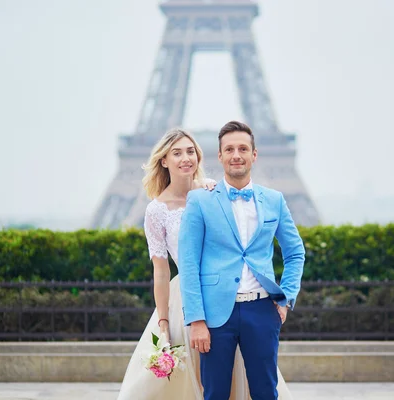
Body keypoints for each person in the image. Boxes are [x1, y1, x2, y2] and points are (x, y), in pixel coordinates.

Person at [116, 127, 293, 400]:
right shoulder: (157, 209)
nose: (185, 158)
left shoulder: (213, 192)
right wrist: (164, 319)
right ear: (164, 160)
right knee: (204, 385)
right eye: (177, 153)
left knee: (250, 382)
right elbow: (162, 272)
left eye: (191, 152)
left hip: (237, 300)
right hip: (191, 301)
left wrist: (285, 296)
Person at [178, 121, 305, 400]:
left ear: (254, 155)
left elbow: (295, 252)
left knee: (265, 393)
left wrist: (286, 297)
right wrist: (197, 319)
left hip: (262, 309)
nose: (237, 155)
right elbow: (188, 263)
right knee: (215, 394)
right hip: (214, 314)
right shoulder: (199, 201)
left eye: (243, 149)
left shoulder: (274, 200)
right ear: (220, 156)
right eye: (230, 149)